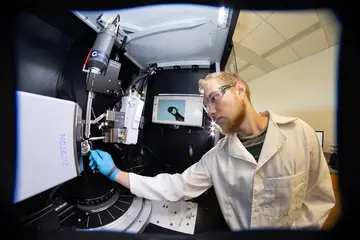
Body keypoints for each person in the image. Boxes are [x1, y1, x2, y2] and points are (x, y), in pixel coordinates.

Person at [89, 72, 335, 231]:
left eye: (214, 98)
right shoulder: (218, 157)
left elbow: (319, 198)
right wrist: (114, 173)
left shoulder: (300, 133)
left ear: (240, 89)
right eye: (206, 106)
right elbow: (176, 186)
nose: (211, 111)